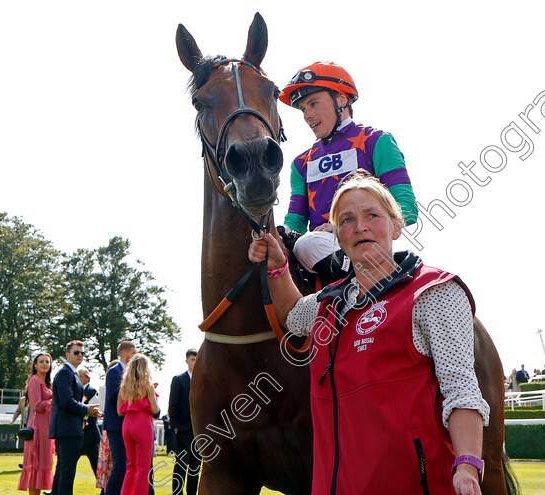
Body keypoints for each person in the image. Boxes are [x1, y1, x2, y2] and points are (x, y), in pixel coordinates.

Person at [249, 171, 489, 494]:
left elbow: (461, 391)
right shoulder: (327, 305)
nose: (359, 226)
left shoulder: (433, 293)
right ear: (338, 236)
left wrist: (467, 465)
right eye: (347, 220)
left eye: (371, 215)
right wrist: (278, 266)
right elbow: (292, 315)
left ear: (396, 225)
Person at [278, 62, 417, 284]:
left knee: (307, 244)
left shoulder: (376, 141)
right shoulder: (300, 163)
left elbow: (407, 209)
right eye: (304, 108)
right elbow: (295, 221)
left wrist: (343, 227)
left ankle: (363, 286)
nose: (307, 115)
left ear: (341, 100)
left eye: (313, 104)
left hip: (365, 246)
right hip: (318, 252)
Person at [50, 340, 100, 495]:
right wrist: (87, 410)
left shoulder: (72, 374)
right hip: (68, 429)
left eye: (82, 352)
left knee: (63, 471)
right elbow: (67, 401)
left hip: (70, 428)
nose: (80, 355)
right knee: (67, 472)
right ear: (67, 355)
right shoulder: (65, 373)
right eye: (76, 352)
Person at [118, 354, 160, 495]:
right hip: (142, 424)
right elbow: (155, 410)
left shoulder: (123, 387)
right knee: (143, 467)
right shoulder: (147, 386)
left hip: (127, 424)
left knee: (131, 466)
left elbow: (119, 411)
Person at [18, 353, 55, 494]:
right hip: (38, 426)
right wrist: (52, 402)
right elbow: (36, 405)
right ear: (35, 364)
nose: (45, 364)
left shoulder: (46, 382)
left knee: (42, 464)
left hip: (46, 424)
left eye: (47, 361)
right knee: (36, 464)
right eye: (41, 362)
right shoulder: (34, 380)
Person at [105, 341, 137, 495]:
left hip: (129, 424)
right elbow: (112, 397)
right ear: (125, 354)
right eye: (133, 353)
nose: (135, 356)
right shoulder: (114, 372)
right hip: (116, 426)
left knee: (128, 465)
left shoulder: (133, 374)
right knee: (120, 465)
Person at [169, 348, 199, 495]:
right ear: (186, 360)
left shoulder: (203, 379)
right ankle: (177, 493)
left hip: (198, 431)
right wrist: (175, 426)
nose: (195, 362)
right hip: (182, 429)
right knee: (181, 464)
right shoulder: (178, 379)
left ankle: (192, 493)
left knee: (195, 466)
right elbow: (172, 404)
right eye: (192, 359)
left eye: (196, 359)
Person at [79, 368, 101, 481]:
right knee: (66, 462)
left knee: (96, 464)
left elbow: (93, 411)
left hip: (90, 434)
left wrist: (84, 421)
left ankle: (105, 488)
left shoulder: (92, 391)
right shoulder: (77, 391)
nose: (78, 378)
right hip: (79, 433)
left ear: (87, 378)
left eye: (81, 376)